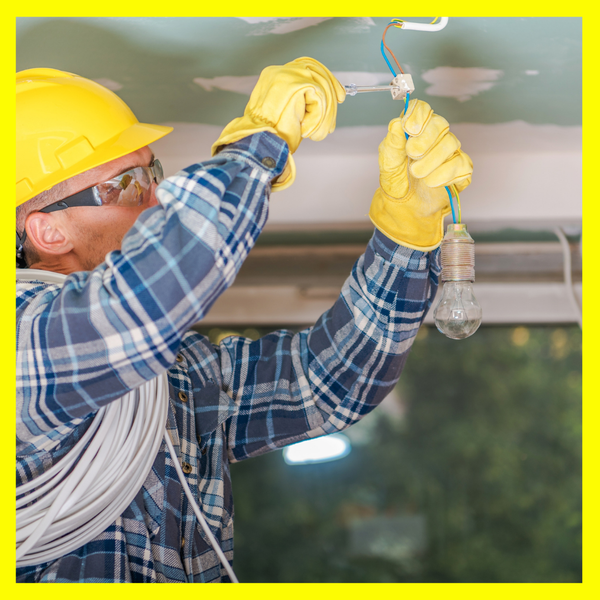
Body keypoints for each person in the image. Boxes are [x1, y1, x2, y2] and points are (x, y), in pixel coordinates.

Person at [16, 58, 473, 583]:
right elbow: (152, 294)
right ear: (47, 231)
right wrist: (259, 148)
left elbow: (326, 383)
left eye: (153, 173)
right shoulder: (19, 349)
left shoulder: (177, 374)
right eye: (126, 185)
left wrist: (406, 233)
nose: (157, 197)